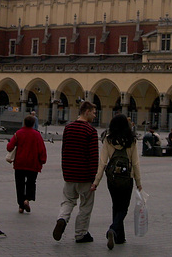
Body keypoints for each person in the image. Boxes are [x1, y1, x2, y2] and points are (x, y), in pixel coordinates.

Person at [91, 114, 142, 249]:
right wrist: (138, 182)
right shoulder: (131, 140)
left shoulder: (108, 140)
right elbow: (136, 163)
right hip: (127, 178)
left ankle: (119, 237)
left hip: (112, 179)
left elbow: (102, 163)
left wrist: (96, 182)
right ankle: (113, 229)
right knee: (123, 208)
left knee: (116, 205)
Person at [53, 100, 99, 244]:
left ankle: (62, 219)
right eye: (93, 113)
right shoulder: (91, 131)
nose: (94, 116)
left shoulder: (68, 128)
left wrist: (65, 171)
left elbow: (64, 151)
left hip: (70, 174)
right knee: (85, 205)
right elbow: (93, 157)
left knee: (67, 201)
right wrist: (94, 179)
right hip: (84, 176)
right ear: (86, 112)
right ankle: (80, 234)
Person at [6, 114, 47, 213]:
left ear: (24, 123)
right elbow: (42, 149)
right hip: (33, 164)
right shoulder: (37, 135)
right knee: (31, 183)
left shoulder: (18, 133)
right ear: (33, 124)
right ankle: (27, 200)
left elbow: (9, 147)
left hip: (20, 164)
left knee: (19, 184)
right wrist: (43, 160)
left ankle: (21, 206)